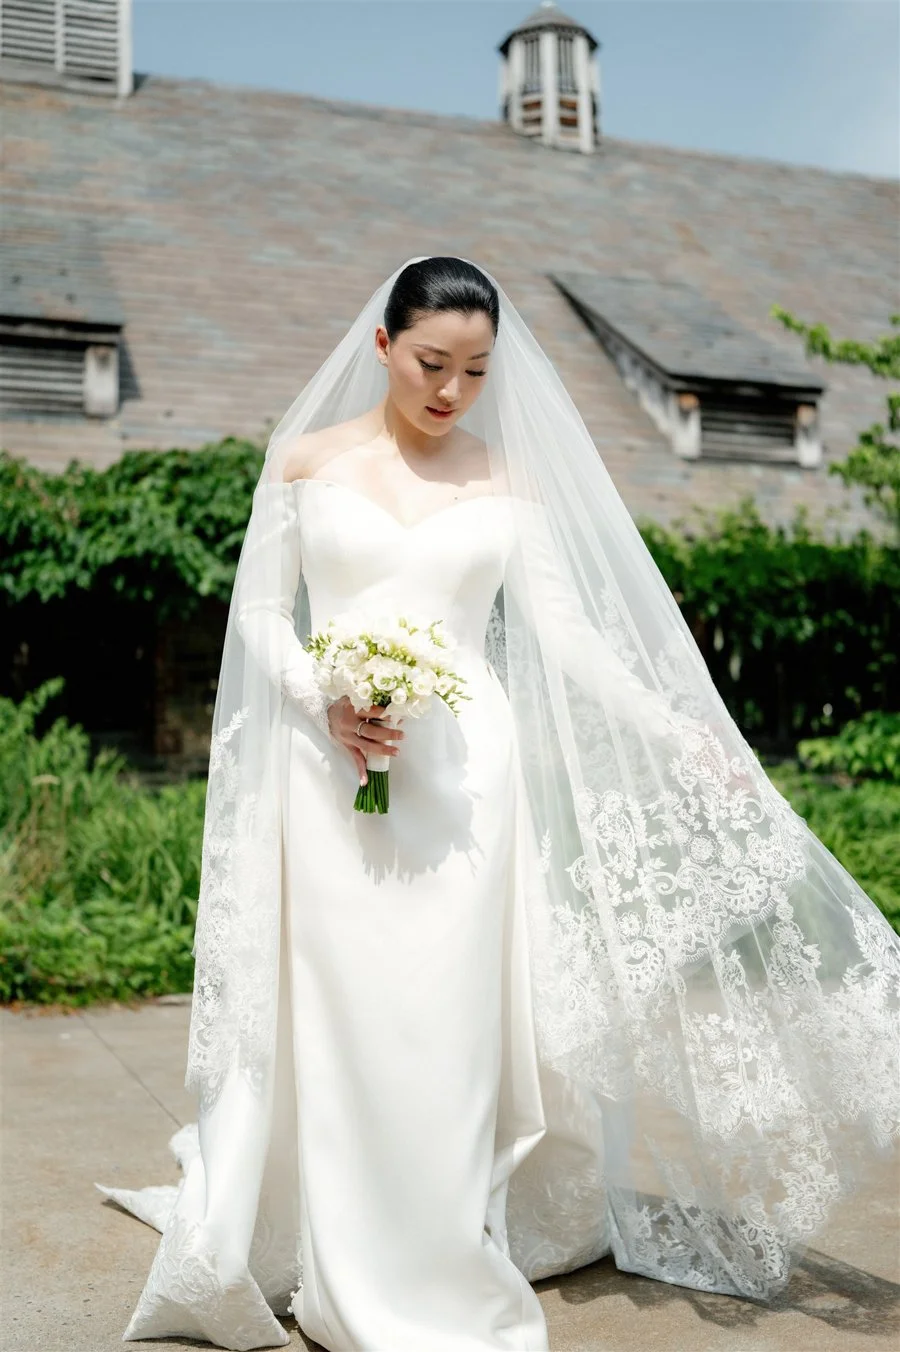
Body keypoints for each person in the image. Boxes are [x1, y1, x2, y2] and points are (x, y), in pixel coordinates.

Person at [98, 256, 899, 1352]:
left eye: (475, 370)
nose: (451, 389)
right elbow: (256, 616)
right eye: (433, 362)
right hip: (331, 771)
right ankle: (348, 1242)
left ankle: (436, 1238)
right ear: (383, 346)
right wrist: (320, 698)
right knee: (345, 1013)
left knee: (444, 1018)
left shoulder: (505, 481)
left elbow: (568, 638)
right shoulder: (305, 460)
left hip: (468, 778)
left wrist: (681, 730)